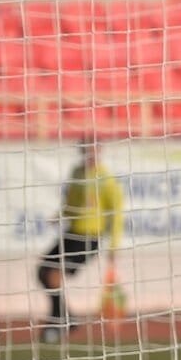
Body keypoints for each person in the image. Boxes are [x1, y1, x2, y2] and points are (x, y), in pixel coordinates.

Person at [37, 138, 123, 344]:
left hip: (89, 239)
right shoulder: (77, 172)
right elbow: (72, 202)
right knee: (42, 271)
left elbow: (116, 214)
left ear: (100, 151)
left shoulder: (106, 179)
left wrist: (114, 245)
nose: (90, 154)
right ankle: (67, 318)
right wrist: (60, 215)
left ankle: (58, 321)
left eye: (94, 150)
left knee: (54, 273)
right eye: (86, 149)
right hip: (71, 233)